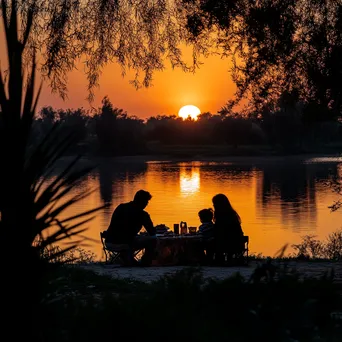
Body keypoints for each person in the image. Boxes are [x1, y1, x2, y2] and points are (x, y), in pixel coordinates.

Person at [105, 190, 156, 266]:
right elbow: (152, 232)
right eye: (146, 202)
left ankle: (128, 258)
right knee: (152, 241)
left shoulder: (121, 207)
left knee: (132, 239)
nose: (147, 204)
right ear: (142, 202)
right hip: (125, 243)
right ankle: (144, 263)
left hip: (109, 242)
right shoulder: (143, 215)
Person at [212, 193, 244, 264]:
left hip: (228, 242)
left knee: (212, 242)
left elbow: (219, 231)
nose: (213, 206)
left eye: (214, 204)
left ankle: (216, 259)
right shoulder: (232, 214)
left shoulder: (222, 216)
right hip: (237, 241)